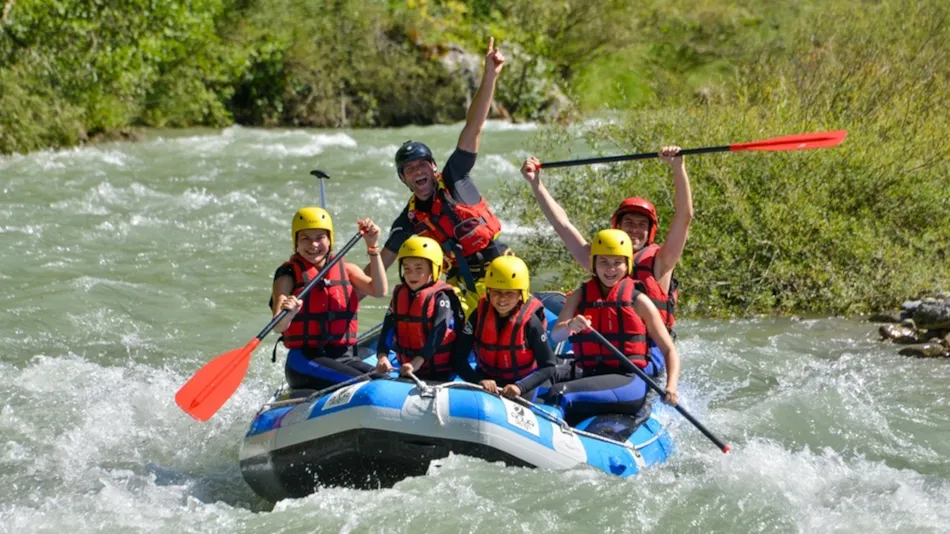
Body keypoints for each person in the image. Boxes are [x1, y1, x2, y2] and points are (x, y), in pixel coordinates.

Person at [374, 37, 510, 317]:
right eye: (409, 169)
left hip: (499, 271)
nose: (418, 172)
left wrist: (490, 75)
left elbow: (474, 126)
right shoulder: (407, 221)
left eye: (422, 165)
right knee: (437, 306)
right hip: (462, 284)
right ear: (403, 180)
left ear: (434, 168)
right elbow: (379, 266)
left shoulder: (455, 178)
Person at [519, 146, 692, 334]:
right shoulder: (601, 259)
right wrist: (536, 183)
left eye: (642, 225)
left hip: (648, 346)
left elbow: (684, 216)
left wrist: (678, 167)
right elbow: (562, 225)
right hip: (608, 342)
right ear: (618, 226)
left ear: (650, 231)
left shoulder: (661, 261)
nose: (635, 229)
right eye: (629, 223)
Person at [547, 229, 680, 425]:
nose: (610, 269)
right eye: (604, 262)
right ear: (594, 263)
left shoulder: (639, 301)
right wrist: (570, 325)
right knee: (541, 375)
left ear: (627, 265)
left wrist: (671, 386)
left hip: (627, 381)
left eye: (617, 262)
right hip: (590, 372)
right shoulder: (580, 295)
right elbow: (556, 336)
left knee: (559, 392)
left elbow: (669, 350)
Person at [272, 207, 387, 390]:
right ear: (296, 242)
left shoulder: (346, 269)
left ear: (330, 240)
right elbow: (278, 326)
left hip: (344, 357)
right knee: (366, 386)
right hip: (304, 361)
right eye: (305, 238)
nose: (313, 245)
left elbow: (379, 291)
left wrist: (372, 247)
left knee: (385, 380)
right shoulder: (288, 274)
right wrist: (289, 314)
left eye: (320, 237)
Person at [450, 256, 556, 401]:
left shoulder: (531, 322)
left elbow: (549, 366)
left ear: (521, 294)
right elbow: (458, 357)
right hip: (485, 381)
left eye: (509, 293)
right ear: (488, 291)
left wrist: (520, 387)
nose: (502, 299)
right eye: (496, 292)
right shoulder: (479, 315)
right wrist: (478, 380)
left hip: (520, 386)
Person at [375, 236, 465, 382]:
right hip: (408, 368)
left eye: (419, 269)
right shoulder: (399, 295)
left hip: (438, 372)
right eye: (407, 269)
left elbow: (439, 332)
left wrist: (418, 361)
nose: (412, 275)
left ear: (434, 269)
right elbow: (388, 328)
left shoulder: (441, 297)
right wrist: (382, 355)